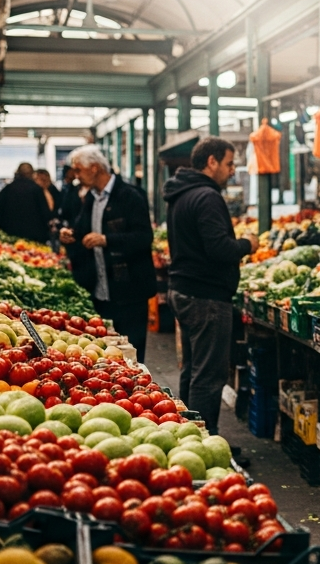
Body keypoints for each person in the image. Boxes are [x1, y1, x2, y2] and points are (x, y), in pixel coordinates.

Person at [164, 136, 258, 436]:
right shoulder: (206, 196)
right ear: (212, 162)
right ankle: (204, 440)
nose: (233, 170)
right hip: (206, 296)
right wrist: (247, 244)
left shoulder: (181, 193)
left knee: (192, 370)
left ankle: (189, 433)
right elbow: (219, 249)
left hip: (184, 289)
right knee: (208, 375)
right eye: (229, 164)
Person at [59, 145, 155, 361]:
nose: (76, 176)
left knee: (132, 353)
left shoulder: (130, 196)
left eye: (79, 170)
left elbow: (143, 237)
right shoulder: (91, 198)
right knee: (108, 353)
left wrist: (106, 240)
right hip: (102, 291)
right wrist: (69, 234)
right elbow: (83, 230)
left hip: (130, 291)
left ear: (94, 168)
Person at [0, 162, 53, 242]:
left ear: (18, 173)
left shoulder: (7, 189)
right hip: (34, 237)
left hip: (10, 236)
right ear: (32, 174)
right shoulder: (37, 190)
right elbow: (45, 213)